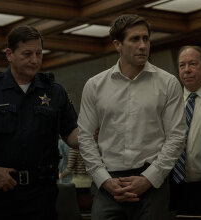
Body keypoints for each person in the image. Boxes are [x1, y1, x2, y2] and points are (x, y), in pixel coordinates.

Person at [77, 14, 186, 220]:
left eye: (146, 39)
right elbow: (85, 136)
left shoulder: (168, 83)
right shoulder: (95, 85)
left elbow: (176, 137)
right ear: (118, 44)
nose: (143, 45)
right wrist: (104, 179)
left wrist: (149, 178)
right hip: (107, 183)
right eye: (135, 39)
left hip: (152, 182)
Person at [0, 25, 78, 220]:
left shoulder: (54, 91)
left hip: (42, 194)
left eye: (38, 53)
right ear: (9, 54)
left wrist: (95, 134)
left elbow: (71, 134)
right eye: (27, 54)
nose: (35, 60)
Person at [170, 46, 201, 215]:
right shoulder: (170, 103)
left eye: (192, 64)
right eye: (182, 65)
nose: (187, 70)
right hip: (175, 189)